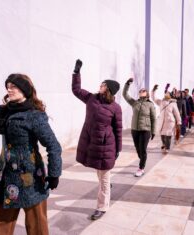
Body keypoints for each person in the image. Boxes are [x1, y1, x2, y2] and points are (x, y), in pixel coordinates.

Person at [0, 60, 62, 235]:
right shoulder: (5, 111)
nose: (9, 89)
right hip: (7, 179)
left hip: (31, 180)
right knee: (0, 226)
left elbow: (53, 146)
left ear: (25, 90)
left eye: (14, 86)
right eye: (8, 86)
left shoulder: (35, 116)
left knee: (37, 228)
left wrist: (54, 173)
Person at [71, 59, 122, 220]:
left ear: (109, 89)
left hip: (106, 146)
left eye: (103, 85)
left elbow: (118, 129)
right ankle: (106, 189)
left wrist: (118, 149)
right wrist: (76, 72)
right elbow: (76, 89)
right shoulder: (92, 98)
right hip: (92, 143)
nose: (100, 86)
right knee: (101, 176)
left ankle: (102, 207)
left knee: (104, 179)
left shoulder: (115, 108)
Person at [122, 78, 156, 177]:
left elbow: (154, 119)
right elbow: (125, 95)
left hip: (145, 130)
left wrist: (153, 131)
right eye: (140, 91)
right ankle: (142, 160)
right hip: (135, 130)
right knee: (138, 149)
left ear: (147, 94)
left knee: (143, 149)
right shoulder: (134, 103)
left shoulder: (150, 105)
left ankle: (141, 168)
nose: (141, 92)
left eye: (143, 91)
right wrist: (127, 83)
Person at [152, 84, 181, 153]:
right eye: (165, 94)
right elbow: (153, 98)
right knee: (162, 134)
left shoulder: (173, 103)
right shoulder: (161, 102)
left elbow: (177, 113)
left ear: (170, 95)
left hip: (170, 122)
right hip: (162, 121)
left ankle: (167, 147)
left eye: (168, 94)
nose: (166, 95)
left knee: (168, 135)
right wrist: (153, 90)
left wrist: (179, 122)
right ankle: (164, 144)